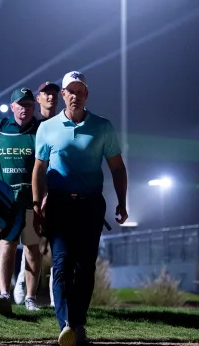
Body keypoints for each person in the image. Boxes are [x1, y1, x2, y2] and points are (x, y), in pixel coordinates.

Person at [32, 71, 128, 346]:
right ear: (63, 95)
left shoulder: (102, 127)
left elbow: (117, 167)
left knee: (85, 268)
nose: (75, 95)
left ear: (87, 94)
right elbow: (39, 169)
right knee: (61, 264)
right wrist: (37, 205)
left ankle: (78, 324)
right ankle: (66, 325)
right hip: (59, 205)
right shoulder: (47, 128)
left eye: (80, 91)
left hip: (90, 206)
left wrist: (122, 202)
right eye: (70, 91)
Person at [0, 87, 43, 314]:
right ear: (12, 107)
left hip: (31, 202)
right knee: (6, 246)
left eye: (29, 104)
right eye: (20, 104)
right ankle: (4, 294)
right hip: (6, 202)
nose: (25, 109)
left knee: (32, 248)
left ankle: (30, 298)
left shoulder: (40, 130)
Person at [13, 81, 60, 307]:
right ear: (38, 98)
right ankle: (23, 281)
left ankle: (55, 299)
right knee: (35, 243)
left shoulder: (62, 123)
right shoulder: (33, 127)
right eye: (45, 94)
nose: (50, 97)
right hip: (36, 194)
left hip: (58, 192)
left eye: (54, 94)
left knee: (56, 245)